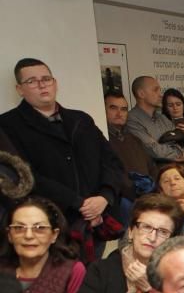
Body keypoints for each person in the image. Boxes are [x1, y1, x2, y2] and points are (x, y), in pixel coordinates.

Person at [0, 58, 125, 231]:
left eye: (46, 79)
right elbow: (23, 176)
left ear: (55, 83)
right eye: (32, 81)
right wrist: (78, 203)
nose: (42, 85)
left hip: (98, 218)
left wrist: (104, 197)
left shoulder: (81, 120)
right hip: (50, 222)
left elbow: (111, 161)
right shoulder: (7, 125)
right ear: (19, 89)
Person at [70, 193, 184, 293]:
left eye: (163, 232)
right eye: (146, 227)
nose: (152, 237)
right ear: (131, 231)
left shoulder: (178, 278)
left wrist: (150, 288)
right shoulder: (102, 269)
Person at [0, 196, 85, 293]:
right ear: (10, 235)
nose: (28, 235)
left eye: (39, 228)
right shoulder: (2, 269)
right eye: (19, 228)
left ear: (54, 235)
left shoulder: (72, 271)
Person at [127, 75, 184, 164]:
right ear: (141, 94)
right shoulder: (132, 119)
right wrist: (180, 153)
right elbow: (153, 150)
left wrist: (178, 151)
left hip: (177, 171)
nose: (161, 95)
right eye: (155, 90)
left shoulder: (162, 117)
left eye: (160, 90)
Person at [104, 90, 158, 194]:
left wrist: (152, 187)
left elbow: (152, 168)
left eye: (124, 109)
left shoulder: (134, 139)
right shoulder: (101, 139)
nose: (119, 113)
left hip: (146, 196)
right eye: (113, 108)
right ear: (103, 109)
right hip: (121, 198)